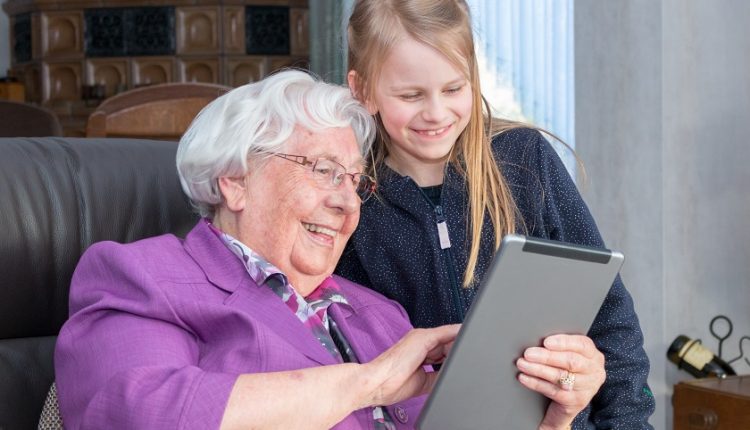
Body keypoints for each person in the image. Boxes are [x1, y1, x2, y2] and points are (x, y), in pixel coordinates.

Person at [55, 70, 464, 430]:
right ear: (235, 180)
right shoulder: (141, 277)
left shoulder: (379, 314)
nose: (350, 203)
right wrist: (368, 383)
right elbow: (139, 416)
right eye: (325, 171)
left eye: (355, 181)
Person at [337, 1, 656, 429]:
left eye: (454, 88)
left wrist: (627, 423)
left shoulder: (525, 160)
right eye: (411, 95)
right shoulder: (350, 200)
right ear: (362, 91)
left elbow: (611, 316)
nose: (436, 112)